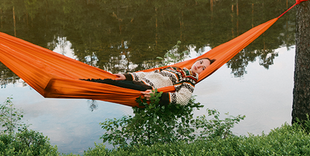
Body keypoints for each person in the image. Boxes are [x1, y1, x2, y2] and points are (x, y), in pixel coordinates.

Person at [85, 58, 214, 106]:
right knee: (105, 81)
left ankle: (80, 84)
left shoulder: (190, 78)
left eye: (204, 68)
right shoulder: (176, 69)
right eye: (200, 62)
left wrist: (157, 96)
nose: (199, 66)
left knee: (104, 84)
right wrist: (127, 76)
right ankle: (78, 82)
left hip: (145, 89)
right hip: (140, 82)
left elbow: (183, 99)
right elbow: (149, 73)